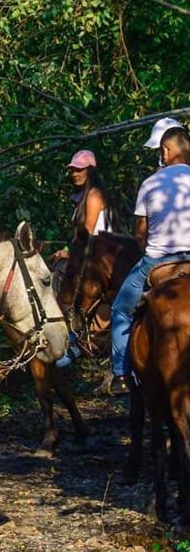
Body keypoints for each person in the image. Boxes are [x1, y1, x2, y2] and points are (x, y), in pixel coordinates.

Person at [109, 126, 190, 395]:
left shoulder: (150, 184)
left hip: (157, 263)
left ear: (166, 152)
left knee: (120, 309)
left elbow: (140, 233)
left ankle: (121, 374)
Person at [53, 150, 117, 367]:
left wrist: (69, 255)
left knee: (63, 282)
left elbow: (89, 235)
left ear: (90, 171)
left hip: (99, 256)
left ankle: (74, 342)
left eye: (79, 169)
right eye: (72, 170)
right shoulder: (83, 197)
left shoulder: (94, 195)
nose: (74, 173)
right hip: (90, 255)